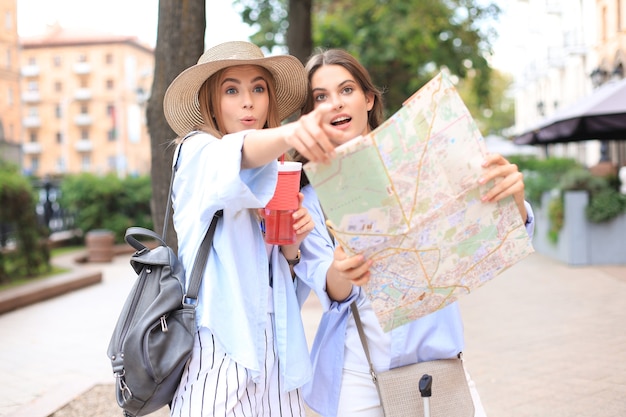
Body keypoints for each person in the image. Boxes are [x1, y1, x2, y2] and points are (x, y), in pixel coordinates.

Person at [291, 48, 536, 417]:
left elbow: (490, 233)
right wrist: (343, 268)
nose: (335, 104)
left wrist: (512, 199)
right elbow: (330, 291)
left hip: (437, 365)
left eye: (346, 90)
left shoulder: (426, 158)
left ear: (368, 98)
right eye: (320, 98)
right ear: (310, 115)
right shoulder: (308, 198)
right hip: (358, 373)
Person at [162, 41, 338, 417]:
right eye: (232, 90)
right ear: (212, 102)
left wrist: (292, 245)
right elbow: (239, 152)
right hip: (220, 346)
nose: (248, 102)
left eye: (258, 88)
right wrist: (293, 133)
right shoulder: (196, 153)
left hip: (277, 356)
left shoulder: (276, 172)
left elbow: (281, 283)